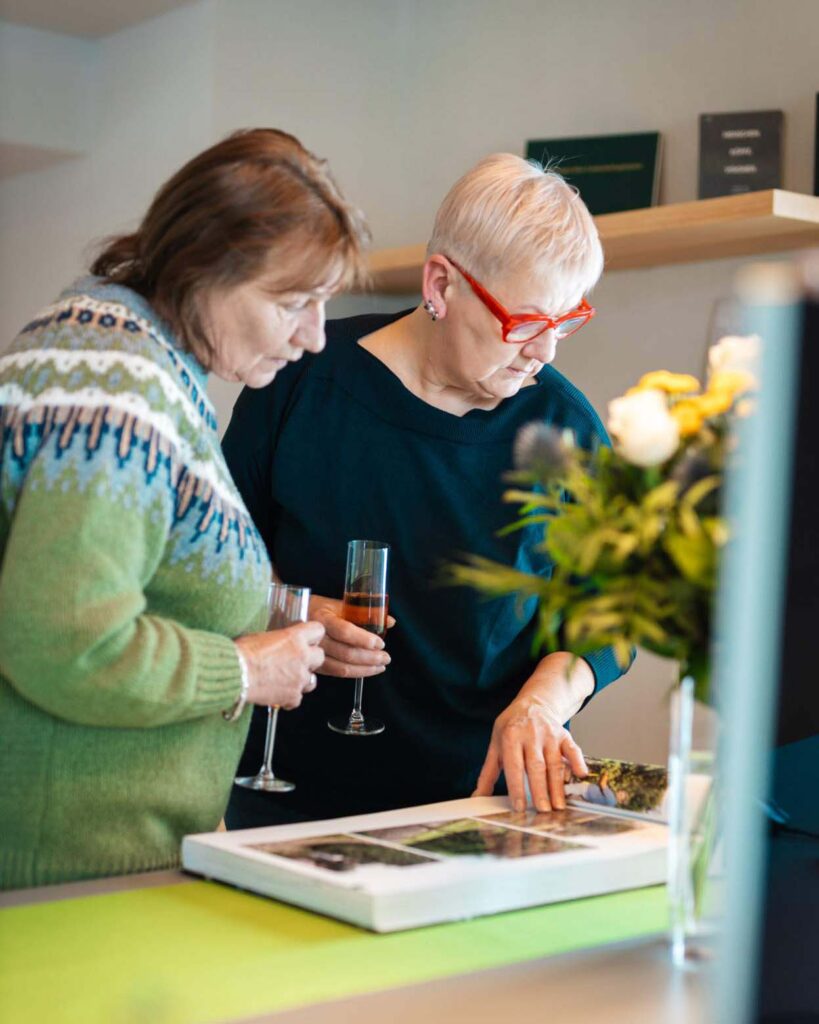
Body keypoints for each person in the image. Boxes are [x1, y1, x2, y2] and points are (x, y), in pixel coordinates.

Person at [0, 128, 370, 889]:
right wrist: (243, 670)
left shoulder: (132, 358)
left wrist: (269, 617)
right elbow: (68, 644)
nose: (313, 337)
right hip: (66, 872)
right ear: (205, 268)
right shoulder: (116, 387)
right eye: (292, 303)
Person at [223, 153, 629, 830]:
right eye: (525, 323)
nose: (546, 352)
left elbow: (611, 619)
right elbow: (208, 557)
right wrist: (291, 612)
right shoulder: (300, 382)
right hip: (286, 801)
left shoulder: (565, 430)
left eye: (565, 322)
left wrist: (540, 706)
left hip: (479, 807)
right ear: (441, 284)